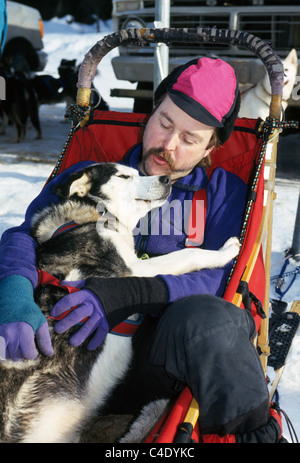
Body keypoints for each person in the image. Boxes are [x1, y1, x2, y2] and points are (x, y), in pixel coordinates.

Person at [0, 58, 285, 442]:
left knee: (209, 319)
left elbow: (224, 278)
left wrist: (128, 293)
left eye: (189, 138)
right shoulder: (98, 173)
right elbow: (28, 233)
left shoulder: (223, 195)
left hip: (159, 357)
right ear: (149, 115)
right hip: (64, 345)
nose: (168, 145)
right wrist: (14, 291)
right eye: (165, 124)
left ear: (210, 147)